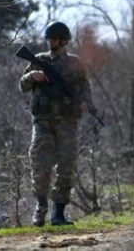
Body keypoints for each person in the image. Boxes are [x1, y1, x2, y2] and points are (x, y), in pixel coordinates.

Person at [19, 21, 93, 226]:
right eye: (48, 38)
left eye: (54, 38)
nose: (50, 41)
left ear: (63, 40)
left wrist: (87, 103)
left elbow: (85, 88)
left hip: (68, 122)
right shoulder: (39, 60)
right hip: (42, 122)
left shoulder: (76, 63)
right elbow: (22, 86)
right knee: (40, 164)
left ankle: (58, 214)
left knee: (66, 166)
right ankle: (41, 206)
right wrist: (31, 76)